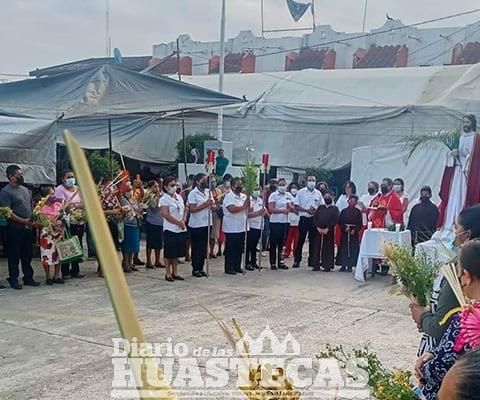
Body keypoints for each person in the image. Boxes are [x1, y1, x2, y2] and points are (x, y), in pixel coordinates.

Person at [411, 205, 480, 357]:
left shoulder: (459, 272)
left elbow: (439, 327)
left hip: (452, 359)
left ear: (466, 235)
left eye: (456, 229)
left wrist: (421, 316)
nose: (454, 236)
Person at [417, 239, 480, 400]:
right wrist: (433, 352)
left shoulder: (469, 319)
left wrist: (424, 367)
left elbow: (439, 367)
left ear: (466, 276)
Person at [0, 165, 41, 289]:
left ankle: (28, 277)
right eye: (18, 174)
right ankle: (13, 279)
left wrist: (33, 220)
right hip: (15, 227)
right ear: (11, 177)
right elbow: (8, 212)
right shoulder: (5, 191)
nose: (21, 176)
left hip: (28, 226)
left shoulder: (25, 189)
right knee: (14, 254)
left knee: (27, 254)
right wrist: (23, 221)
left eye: (21, 174)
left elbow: (30, 206)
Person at [438, 114, 480, 229]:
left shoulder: (476, 138)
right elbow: (456, 154)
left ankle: (461, 224)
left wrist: (466, 162)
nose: (465, 125)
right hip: (457, 172)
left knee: (463, 197)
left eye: (467, 122)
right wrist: (452, 154)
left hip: (468, 174)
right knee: (453, 197)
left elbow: (475, 158)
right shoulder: (460, 137)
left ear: (472, 123)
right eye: (464, 122)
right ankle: (450, 223)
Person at [55, 169, 85, 279]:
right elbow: (60, 206)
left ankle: (75, 270)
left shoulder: (78, 189)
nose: (71, 179)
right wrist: (71, 206)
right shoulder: (59, 189)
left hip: (79, 220)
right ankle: (65, 271)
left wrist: (75, 206)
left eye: (72, 176)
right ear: (63, 179)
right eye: (68, 177)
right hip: (66, 222)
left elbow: (84, 203)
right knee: (67, 244)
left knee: (77, 243)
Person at [293, 176, 324, 268]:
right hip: (304, 218)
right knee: (301, 240)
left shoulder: (318, 193)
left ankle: (312, 261)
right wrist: (306, 210)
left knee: (313, 241)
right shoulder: (301, 192)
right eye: (310, 180)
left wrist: (315, 210)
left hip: (314, 219)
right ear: (306, 181)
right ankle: (297, 260)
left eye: (313, 180)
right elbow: (296, 206)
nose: (312, 182)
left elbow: (321, 205)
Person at [160, 176, 187, 282]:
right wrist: (178, 222)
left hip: (180, 228)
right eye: (171, 185)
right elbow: (166, 214)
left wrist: (183, 221)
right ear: (166, 187)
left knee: (176, 252)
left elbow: (184, 209)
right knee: (169, 252)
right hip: (170, 228)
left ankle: (175, 272)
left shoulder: (179, 197)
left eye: (175, 185)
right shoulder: (164, 199)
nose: (174, 187)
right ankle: (168, 273)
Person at [187, 173, 214, 278]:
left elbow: (211, 205)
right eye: (202, 180)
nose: (205, 182)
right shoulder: (193, 193)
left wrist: (213, 205)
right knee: (196, 247)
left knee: (203, 247)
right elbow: (192, 209)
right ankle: (195, 268)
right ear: (197, 182)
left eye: (206, 180)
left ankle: (201, 267)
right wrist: (205, 205)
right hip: (196, 224)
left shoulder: (208, 192)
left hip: (207, 222)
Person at [38, 186, 64, 285]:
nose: (53, 196)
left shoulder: (58, 205)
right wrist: (48, 224)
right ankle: (48, 277)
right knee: (46, 255)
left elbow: (62, 216)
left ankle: (56, 276)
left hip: (58, 233)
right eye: (51, 194)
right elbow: (38, 222)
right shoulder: (40, 208)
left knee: (58, 254)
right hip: (46, 234)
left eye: (54, 194)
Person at [222, 177, 249, 275]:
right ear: (232, 186)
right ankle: (229, 267)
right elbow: (231, 209)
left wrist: (247, 205)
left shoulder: (243, 196)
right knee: (231, 248)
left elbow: (248, 208)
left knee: (239, 248)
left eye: (241, 184)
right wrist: (243, 207)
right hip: (231, 226)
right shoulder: (229, 196)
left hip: (242, 226)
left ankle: (237, 266)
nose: (240, 186)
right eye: (238, 185)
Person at [268, 178, 294, 270]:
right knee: (274, 243)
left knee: (282, 244)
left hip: (286, 222)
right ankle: (272, 263)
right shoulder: (273, 195)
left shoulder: (288, 195)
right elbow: (271, 209)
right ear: (277, 185)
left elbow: (293, 206)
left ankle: (281, 261)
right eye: (280, 184)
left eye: (284, 184)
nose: (282, 186)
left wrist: (290, 207)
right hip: (275, 222)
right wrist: (282, 210)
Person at [119, 181, 142, 274]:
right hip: (127, 224)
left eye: (130, 190)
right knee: (127, 246)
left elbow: (138, 208)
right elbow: (124, 210)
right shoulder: (121, 199)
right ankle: (126, 264)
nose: (130, 192)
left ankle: (130, 262)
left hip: (135, 222)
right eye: (128, 190)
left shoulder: (133, 198)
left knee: (133, 245)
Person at [312, 190, 339, 272]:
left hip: (329, 231)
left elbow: (335, 220)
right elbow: (315, 218)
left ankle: (327, 265)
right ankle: (316, 264)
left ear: (333, 197)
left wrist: (328, 228)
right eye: (325, 196)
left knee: (328, 248)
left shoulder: (335, 209)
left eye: (329, 196)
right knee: (317, 247)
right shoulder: (320, 207)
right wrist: (318, 227)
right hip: (319, 230)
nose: (327, 198)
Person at [336, 195, 363, 273]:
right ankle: (343, 265)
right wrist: (345, 228)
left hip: (353, 233)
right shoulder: (344, 211)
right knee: (343, 248)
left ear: (356, 203)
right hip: (345, 232)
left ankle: (350, 265)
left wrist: (355, 230)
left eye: (354, 201)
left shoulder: (358, 212)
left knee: (352, 249)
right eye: (351, 201)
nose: (352, 202)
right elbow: (340, 221)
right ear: (348, 201)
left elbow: (360, 224)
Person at [144, 180, 164, 270]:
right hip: (151, 222)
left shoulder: (160, 195)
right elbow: (154, 208)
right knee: (150, 243)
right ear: (150, 188)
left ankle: (157, 260)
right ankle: (148, 261)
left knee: (159, 243)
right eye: (155, 186)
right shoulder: (149, 196)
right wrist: (158, 198)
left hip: (160, 222)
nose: (157, 188)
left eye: (158, 186)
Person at [246, 186, 264, 271]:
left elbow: (264, 212)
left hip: (258, 225)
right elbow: (247, 214)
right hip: (250, 225)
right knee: (249, 245)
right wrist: (258, 213)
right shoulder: (248, 200)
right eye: (255, 189)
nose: (257, 191)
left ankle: (254, 261)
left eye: (258, 189)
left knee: (254, 246)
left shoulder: (261, 200)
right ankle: (247, 262)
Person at [131, 177, 146, 266]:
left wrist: (141, 188)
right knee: (133, 240)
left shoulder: (139, 191)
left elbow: (142, 198)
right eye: (137, 183)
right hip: (133, 217)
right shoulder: (132, 192)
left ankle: (136, 257)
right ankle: (130, 259)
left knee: (137, 239)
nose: (138, 184)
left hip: (140, 217)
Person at [261, 179, 277, 254]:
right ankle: (264, 247)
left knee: (273, 232)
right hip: (267, 214)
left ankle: (270, 246)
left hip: (275, 214)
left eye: (275, 183)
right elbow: (264, 202)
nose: (274, 185)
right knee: (266, 232)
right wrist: (267, 213)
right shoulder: (267, 192)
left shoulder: (277, 193)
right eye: (272, 183)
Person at [284, 183, 300, 258]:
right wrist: (295, 210)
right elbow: (288, 206)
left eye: (295, 187)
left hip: (298, 221)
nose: (294, 189)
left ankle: (295, 252)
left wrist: (296, 209)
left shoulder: (299, 196)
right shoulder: (287, 195)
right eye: (292, 187)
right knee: (288, 238)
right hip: (290, 221)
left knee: (297, 238)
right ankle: (287, 252)